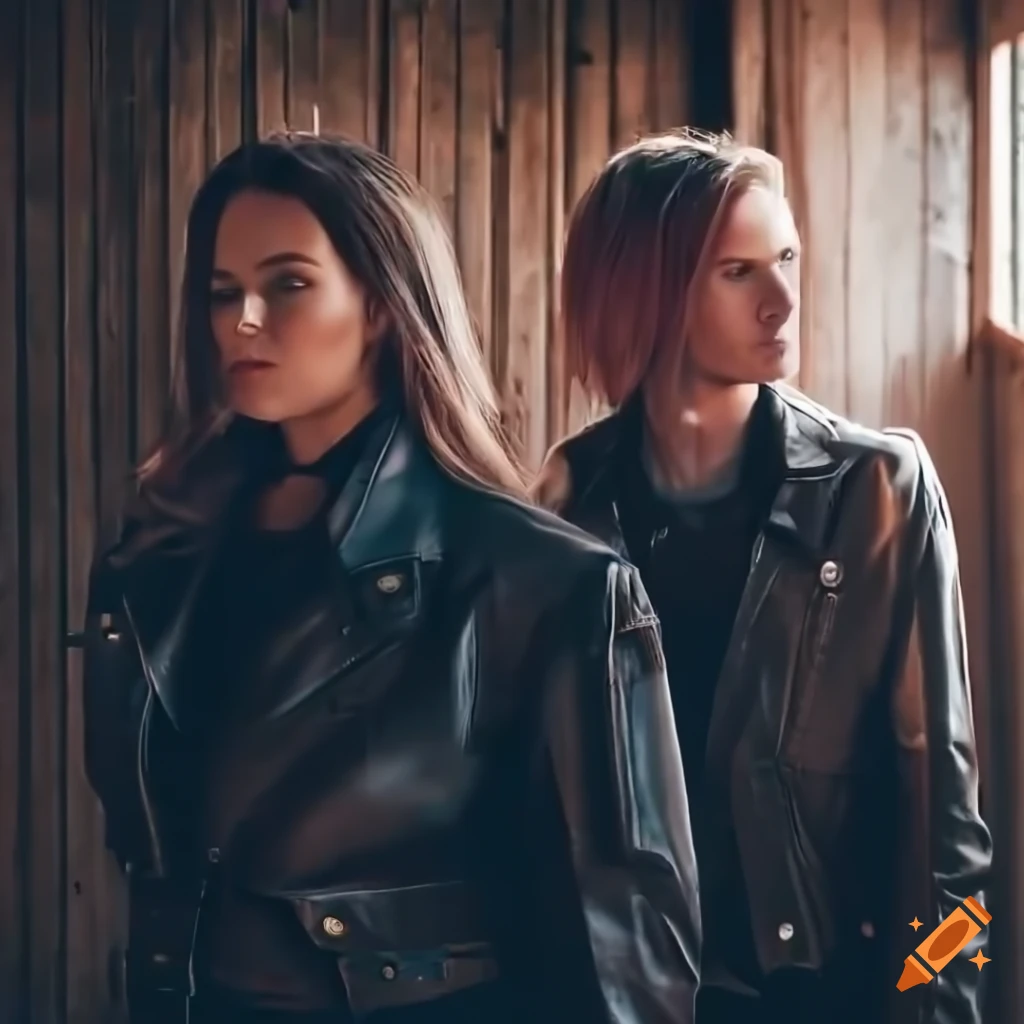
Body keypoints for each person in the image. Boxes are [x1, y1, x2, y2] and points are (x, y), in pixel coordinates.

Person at [81, 132, 701, 1024]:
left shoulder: (547, 586)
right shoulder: (157, 563)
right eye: (224, 293)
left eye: (288, 282)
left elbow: (629, 967)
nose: (243, 321)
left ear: (380, 305)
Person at [534, 130, 992, 1024]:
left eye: (785, 257)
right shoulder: (564, 506)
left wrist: (934, 1002)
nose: (783, 298)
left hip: (820, 997)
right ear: (645, 293)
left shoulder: (879, 492)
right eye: (736, 271)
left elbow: (951, 841)